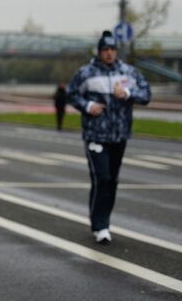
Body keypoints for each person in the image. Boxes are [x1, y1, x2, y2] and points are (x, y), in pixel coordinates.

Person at [67, 30, 151, 244]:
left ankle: (102, 220)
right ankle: (100, 225)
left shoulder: (128, 73)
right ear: (99, 51)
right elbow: (71, 93)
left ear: (116, 51)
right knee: (101, 178)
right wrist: (88, 105)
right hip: (96, 134)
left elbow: (146, 94)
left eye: (113, 49)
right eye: (105, 49)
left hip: (119, 135)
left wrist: (128, 94)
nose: (109, 53)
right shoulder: (86, 73)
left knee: (111, 181)